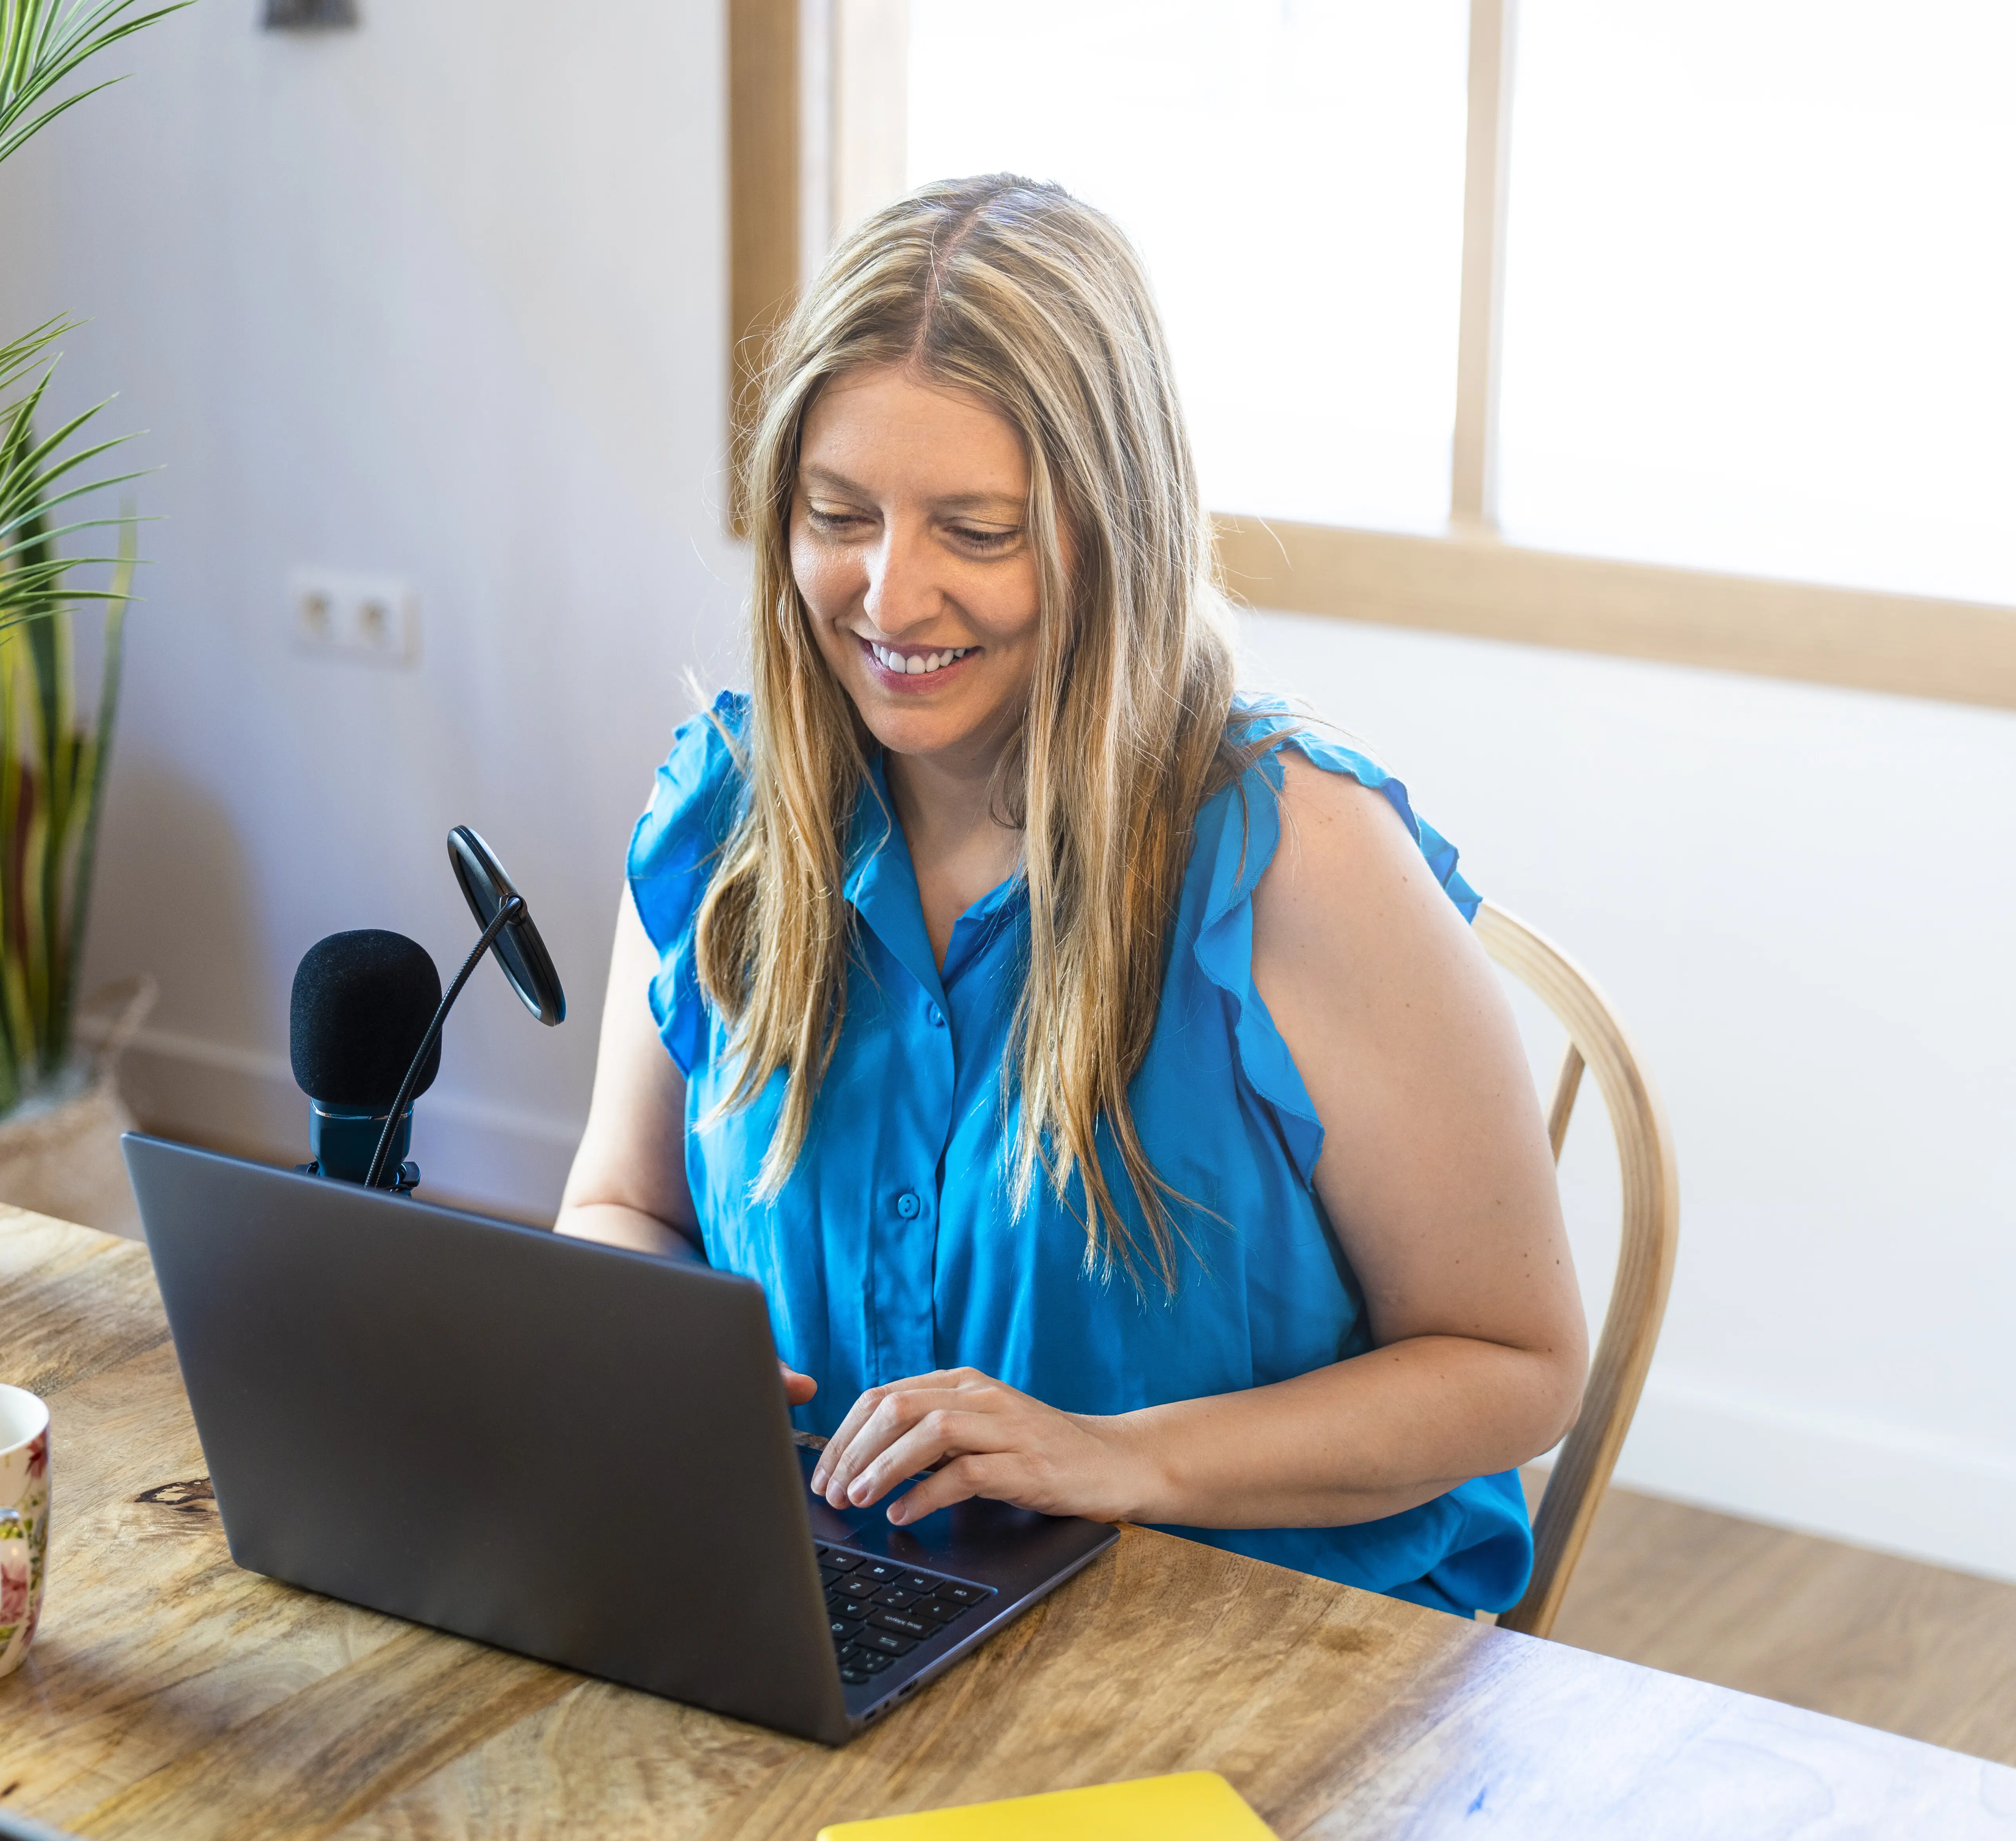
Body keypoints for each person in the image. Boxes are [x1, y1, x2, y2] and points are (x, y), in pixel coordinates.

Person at [552, 175, 1587, 1616]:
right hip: (824, 1600)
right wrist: (659, 1342)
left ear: (1117, 529)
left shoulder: (1303, 854)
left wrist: (1119, 1460)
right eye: (838, 514)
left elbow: (1514, 1369)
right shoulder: (728, 808)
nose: (889, 598)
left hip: (1238, 1640)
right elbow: (622, 1205)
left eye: (975, 530)